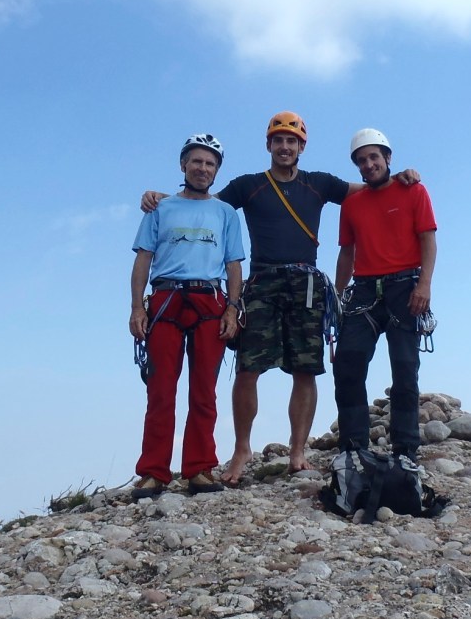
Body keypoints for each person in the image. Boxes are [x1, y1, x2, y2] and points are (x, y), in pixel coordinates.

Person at [140, 111, 420, 485]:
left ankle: (297, 452)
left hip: (306, 284)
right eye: (278, 140)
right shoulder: (249, 185)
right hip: (261, 282)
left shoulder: (319, 183)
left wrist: (399, 177)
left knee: (306, 370)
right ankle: (242, 449)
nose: (285, 147)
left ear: (302, 146)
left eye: (292, 141)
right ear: (268, 145)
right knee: (248, 369)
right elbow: (202, 202)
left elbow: (367, 186)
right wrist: (163, 198)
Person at [129, 134, 244, 497]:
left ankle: (199, 468)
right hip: (166, 300)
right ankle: (154, 472)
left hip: (210, 300)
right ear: (183, 165)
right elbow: (143, 258)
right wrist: (136, 307)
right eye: (196, 161)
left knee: (204, 390)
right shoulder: (159, 209)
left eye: (210, 163)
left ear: (217, 170)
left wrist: (233, 308)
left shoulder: (225, 213)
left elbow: (233, 264)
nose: (202, 168)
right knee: (160, 390)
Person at [333, 128, 437, 462]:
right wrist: (337, 296)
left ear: (388, 157)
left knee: (405, 369)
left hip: (405, 287)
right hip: (364, 290)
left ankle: (405, 450)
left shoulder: (413, 190)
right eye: (361, 161)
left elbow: (428, 239)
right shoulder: (352, 204)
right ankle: (353, 449)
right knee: (347, 364)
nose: (368, 165)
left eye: (373, 157)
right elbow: (347, 252)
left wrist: (424, 285)